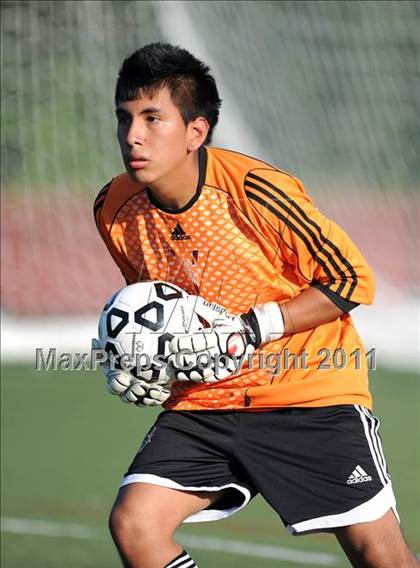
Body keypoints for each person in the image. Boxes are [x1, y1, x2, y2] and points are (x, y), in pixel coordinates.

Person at [93, 43, 417, 568]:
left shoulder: (256, 190)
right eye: (124, 117)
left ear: (196, 132)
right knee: (135, 525)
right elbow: (160, 308)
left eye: (153, 119)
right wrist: (151, 365)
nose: (133, 135)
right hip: (207, 403)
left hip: (309, 393)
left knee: (382, 557)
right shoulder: (113, 210)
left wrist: (253, 326)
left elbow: (352, 279)